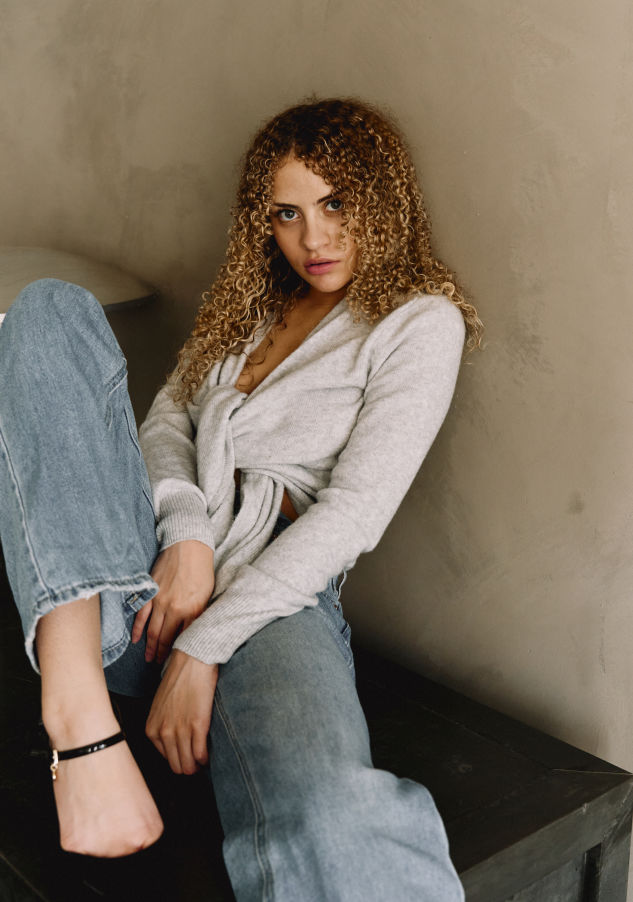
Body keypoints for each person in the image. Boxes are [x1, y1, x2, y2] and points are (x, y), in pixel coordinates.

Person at [0, 97, 481, 900]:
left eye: (335, 203)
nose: (313, 237)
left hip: (273, 601)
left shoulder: (418, 323)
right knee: (48, 307)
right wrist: (186, 538)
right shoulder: (251, 306)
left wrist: (204, 646)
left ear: (381, 197)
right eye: (287, 213)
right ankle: (81, 732)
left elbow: (353, 513)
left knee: (333, 813)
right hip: (140, 571)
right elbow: (166, 421)